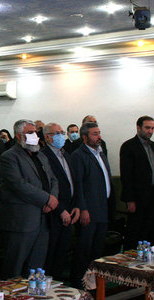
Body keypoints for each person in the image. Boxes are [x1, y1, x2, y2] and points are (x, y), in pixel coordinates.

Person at [0, 119, 59, 278]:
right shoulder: (9, 157)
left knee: (36, 267)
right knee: (15, 267)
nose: (35, 136)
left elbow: (53, 179)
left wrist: (52, 199)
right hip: (22, 221)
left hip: (43, 219)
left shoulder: (41, 156)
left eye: (35, 133)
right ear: (19, 136)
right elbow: (19, 185)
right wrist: (46, 199)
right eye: (30, 133)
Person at [69, 122, 115, 289]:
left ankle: (94, 282)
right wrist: (83, 209)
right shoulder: (78, 155)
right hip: (89, 209)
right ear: (85, 137)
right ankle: (79, 282)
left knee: (97, 249)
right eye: (94, 134)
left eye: (99, 133)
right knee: (84, 249)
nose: (99, 137)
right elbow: (78, 184)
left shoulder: (100, 153)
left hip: (102, 207)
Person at [41, 123, 79, 281]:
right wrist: (60, 210)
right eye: (56, 133)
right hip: (53, 213)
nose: (61, 136)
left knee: (63, 252)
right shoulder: (43, 156)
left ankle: (58, 284)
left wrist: (76, 206)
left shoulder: (66, 154)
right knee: (51, 254)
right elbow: (48, 186)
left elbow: (74, 182)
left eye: (62, 132)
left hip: (70, 210)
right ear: (47, 137)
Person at [120, 116, 154, 248]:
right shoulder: (129, 146)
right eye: (147, 128)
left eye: (152, 128)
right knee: (135, 231)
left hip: (152, 194)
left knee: (149, 230)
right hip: (137, 196)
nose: (150, 131)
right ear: (138, 128)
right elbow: (126, 175)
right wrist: (130, 200)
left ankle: (147, 257)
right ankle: (130, 257)